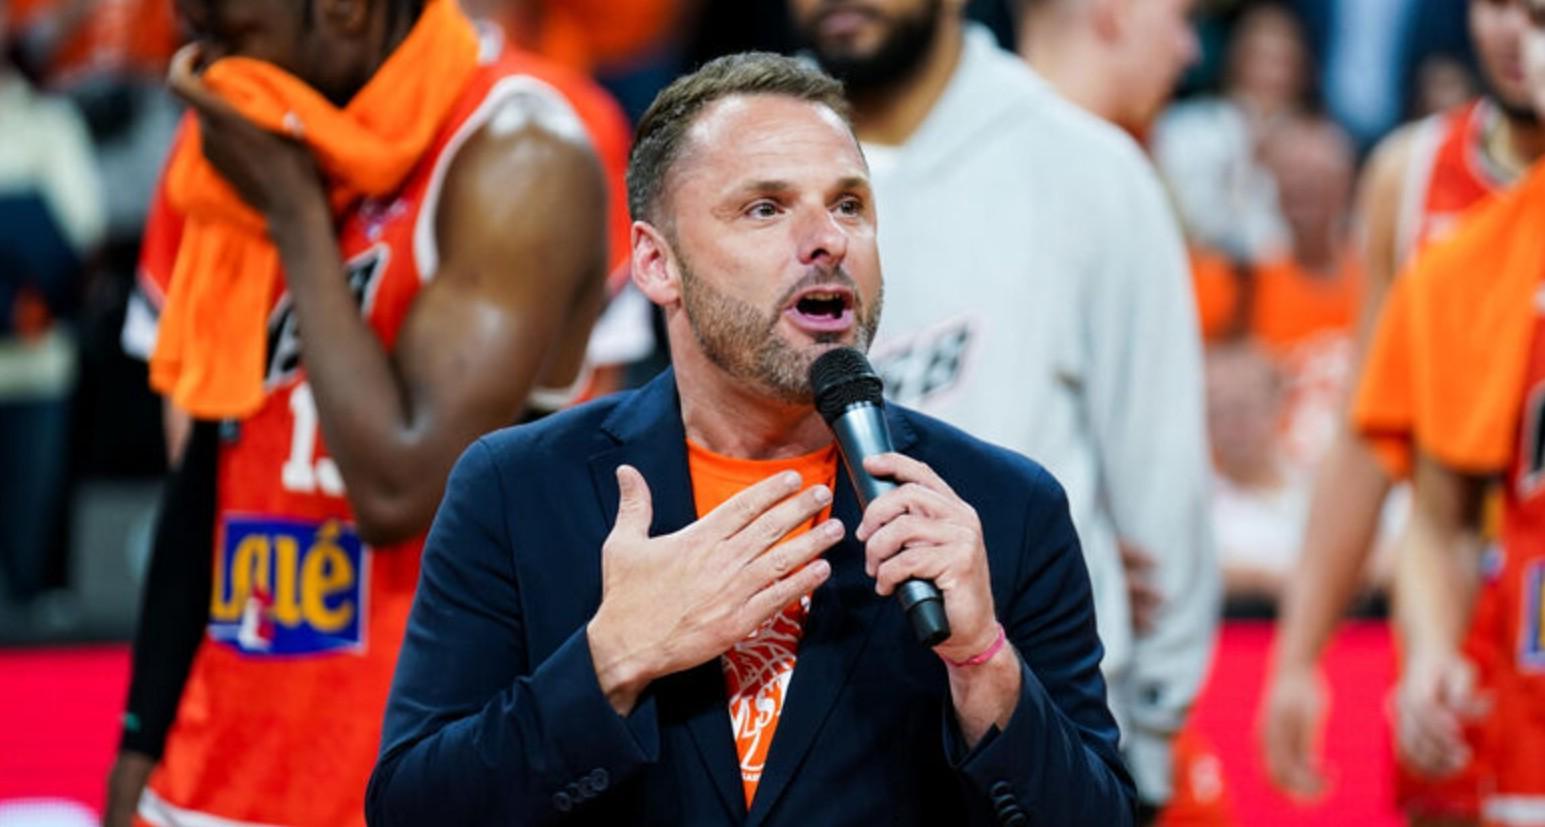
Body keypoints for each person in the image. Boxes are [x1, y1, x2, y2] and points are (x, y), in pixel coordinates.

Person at [367, 52, 1134, 826]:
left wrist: (982, 662)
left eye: (848, 205)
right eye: (765, 208)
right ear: (656, 263)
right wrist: (612, 659)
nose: (827, 239)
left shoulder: (1001, 510)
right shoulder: (517, 489)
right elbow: (412, 809)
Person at [101, 0, 617, 824]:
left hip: (413, 777)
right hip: (210, 763)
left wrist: (294, 211)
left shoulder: (520, 152)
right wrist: (139, 740)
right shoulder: (235, 143)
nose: (205, 78)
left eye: (233, 42)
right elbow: (203, 466)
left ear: (342, 11)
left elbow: (397, 488)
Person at [790, 0, 1217, 816]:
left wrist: (1154, 733)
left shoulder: (1088, 170)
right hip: (797, 732)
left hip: (1035, 726)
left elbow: (1158, 477)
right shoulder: (730, 165)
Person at [1259, 2, 1545, 821]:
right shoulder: (1415, 177)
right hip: (1463, 624)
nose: (1515, 32)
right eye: (1496, 5)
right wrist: (1298, 654)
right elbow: (1371, 437)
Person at [1355, 0, 1545, 818]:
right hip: (1521, 709)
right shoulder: (1457, 269)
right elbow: (1437, 518)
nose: (1524, 35)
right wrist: (1428, 648)